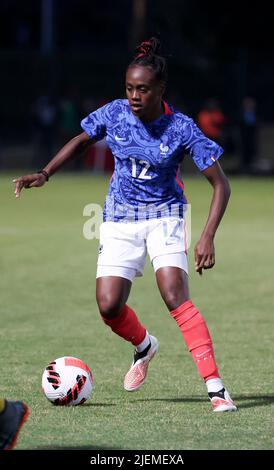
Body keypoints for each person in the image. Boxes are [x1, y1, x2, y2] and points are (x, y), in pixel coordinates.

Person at [13, 37, 237, 413]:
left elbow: (221, 184)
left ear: (160, 90)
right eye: (130, 87)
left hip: (165, 215)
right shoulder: (115, 113)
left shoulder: (181, 127)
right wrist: (44, 173)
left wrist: (207, 236)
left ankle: (216, 389)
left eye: (143, 89)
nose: (134, 96)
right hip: (119, 216)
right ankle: (145, 346)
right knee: (109, 306)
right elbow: (82, 141)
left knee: (173, 294)